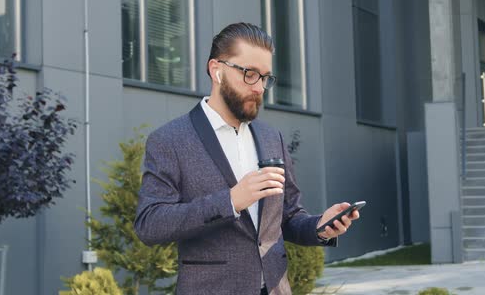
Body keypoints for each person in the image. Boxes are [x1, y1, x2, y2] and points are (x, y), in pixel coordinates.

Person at [134, 22, 359, 295]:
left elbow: (288, 217)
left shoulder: (270, 137)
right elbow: (150, 224)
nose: (260, 87)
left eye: (265, 77)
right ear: (217, 70)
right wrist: (229, 201)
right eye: (250, 74)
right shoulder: (170, 140)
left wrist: (321, 226)